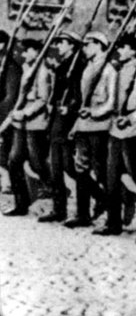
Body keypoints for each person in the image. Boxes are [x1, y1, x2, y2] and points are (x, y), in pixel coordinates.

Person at [94, 34, 136, 236]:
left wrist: (131, 118)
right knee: (111, 178)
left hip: (132, 131)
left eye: (124, 48)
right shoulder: (119, 71)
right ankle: (113, 223)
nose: (120, 51)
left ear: (134, 51)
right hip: (115, 130)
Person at [66, 31, 115, 228]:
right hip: (84, 125)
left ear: (98, 45)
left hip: (100, 125)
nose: (85, 48)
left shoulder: (109, 69)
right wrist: (76, 125)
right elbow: (82, 101)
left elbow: (112, 102)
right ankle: (82, 214)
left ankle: (113, 210)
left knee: (101, 169)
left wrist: (94, 113)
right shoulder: (88, 68)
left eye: (88, 45)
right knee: (81, 169)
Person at [3, 38, 52, 216]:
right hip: (20, 124)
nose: (23, 54)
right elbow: (21, 97)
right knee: (14, 162)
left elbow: (42, 100)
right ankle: (21, 203)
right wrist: (15, 114)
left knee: (38, 163)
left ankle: (55, 191)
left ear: (36, 52)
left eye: (27, 51)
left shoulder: (42, 72)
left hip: (35, 124)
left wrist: (24, 113)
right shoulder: (27, 70)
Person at [40, 30, 84, 222]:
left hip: (66, 120)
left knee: (67, 165)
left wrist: (71, 108)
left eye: (63, 42)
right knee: (56, 165)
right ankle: (59, 209)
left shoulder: (78, 65)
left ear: (72, 45)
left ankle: (100, 197)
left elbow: (80, 94)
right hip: (56, 118)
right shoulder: (64, 65)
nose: (59, 46)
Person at [0, 30, 21, 192]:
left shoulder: (11, 66)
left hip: (5, 114)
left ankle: (7, 182)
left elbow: (11, 96)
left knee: (5, 148)